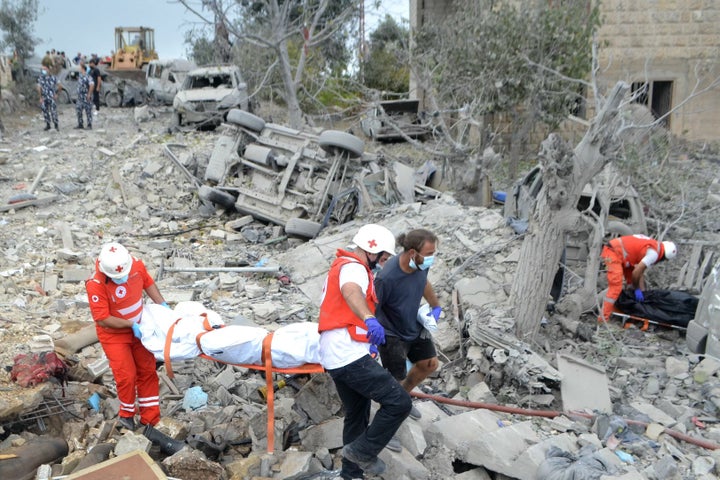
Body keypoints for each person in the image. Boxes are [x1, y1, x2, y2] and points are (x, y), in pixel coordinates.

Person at [318, 224, 412, 479]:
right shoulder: (353, 268)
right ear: (371, 250)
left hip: (336, 354)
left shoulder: (342, 267)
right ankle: (362, 453)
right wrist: (370, 318)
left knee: (357, 416)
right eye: (381, 258)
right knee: (399, 402)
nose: (382, 264)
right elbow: (351, 291)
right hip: (346, 354)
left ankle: (351, 475)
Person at [85, 242, 169, 431]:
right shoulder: (96, 284)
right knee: (126, 375)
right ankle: (127, 415)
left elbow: (148, 283)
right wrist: (131, 325)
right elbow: (103, 319)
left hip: (140, 327)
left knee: (147, 370)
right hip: (115, 335)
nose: (121, 279)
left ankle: (151, 418)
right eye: (117, 277)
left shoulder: (135, 265)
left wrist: (163, 305)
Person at [374, 229, 441, 424]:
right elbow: (373, 307)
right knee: (395, 378)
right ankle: (384, 421)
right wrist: (372, 337)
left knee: (429, 363)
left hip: (413, 322)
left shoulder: (420, 265)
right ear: (412, 253)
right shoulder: (387, 278)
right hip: (391, 331)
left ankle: (402, 399)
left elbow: (423, 282)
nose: (432, 258)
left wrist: (435, 306)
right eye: (429, 254)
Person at [600, 234, 678, 321]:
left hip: (622, 254)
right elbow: (636, 273)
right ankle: (603, 318)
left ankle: (620, 306)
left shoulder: (653, 245)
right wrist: (637, 289)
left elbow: (639, 270)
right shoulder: (654, 254)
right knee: (616, 287)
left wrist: (642, 290)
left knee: (630, 283)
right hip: (611, 253)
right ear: (664, 257)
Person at [36, 65, 61, 131]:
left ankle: (56, 125)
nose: (43, 71)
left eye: (45, 69)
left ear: (48, 70)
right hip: (44, 97)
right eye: (42, 69)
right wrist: (40, 97)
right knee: (45, 111)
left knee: (53, 111)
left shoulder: (53, 77)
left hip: (51, 97)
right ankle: (48, 125)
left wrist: (57, 94)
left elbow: (60, 86)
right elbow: (39, 88)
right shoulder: (41, 78)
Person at [75, 61, 94, 130]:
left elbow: (92, 85)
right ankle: (80, 124)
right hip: (80, 97)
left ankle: (89, 125)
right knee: (78, 110)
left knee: (88, 111)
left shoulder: (88, 76)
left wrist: (89, 94)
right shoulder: (80, 76)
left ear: (83, 68)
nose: (79, 69)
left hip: (86, 96)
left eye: (80, 67)